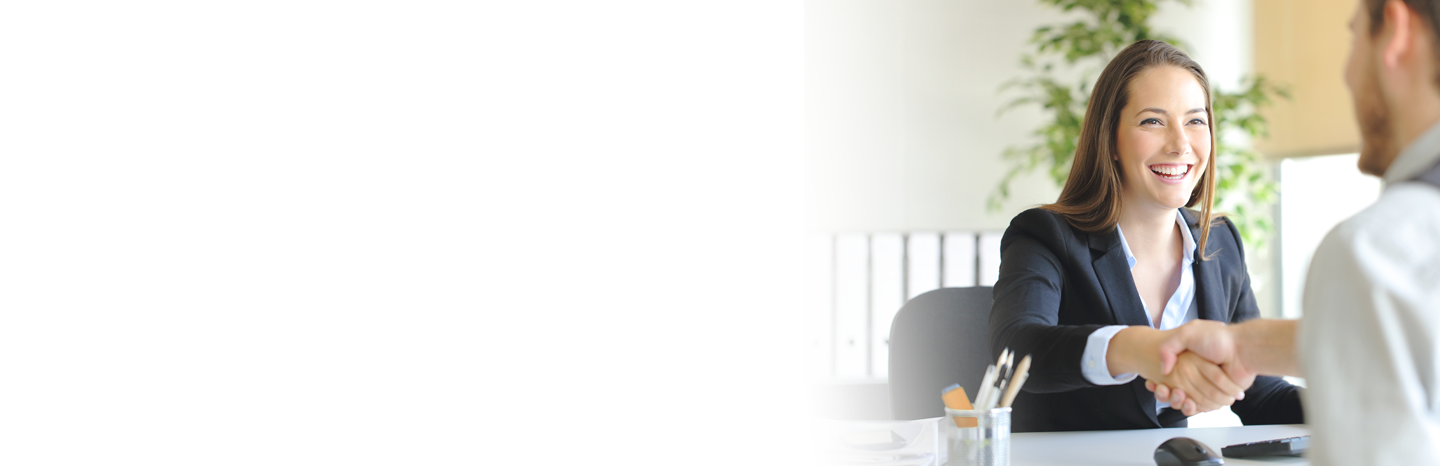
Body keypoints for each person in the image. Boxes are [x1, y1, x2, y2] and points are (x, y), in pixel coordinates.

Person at [1147, 0, 1440, 463]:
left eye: (1354, 35)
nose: (1344, 73)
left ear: (1397, 32)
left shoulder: (1375, 251)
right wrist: (1245, 346)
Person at [987, 39, 1304, 432]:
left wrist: (1361, 400)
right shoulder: (1046, 236)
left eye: (1195, 120)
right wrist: (1140, 349)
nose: (1180, 144)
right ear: (1111, 139)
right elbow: (1016, 351)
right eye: (1152, 121)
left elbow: (1265, 396)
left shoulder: (1219, 243)